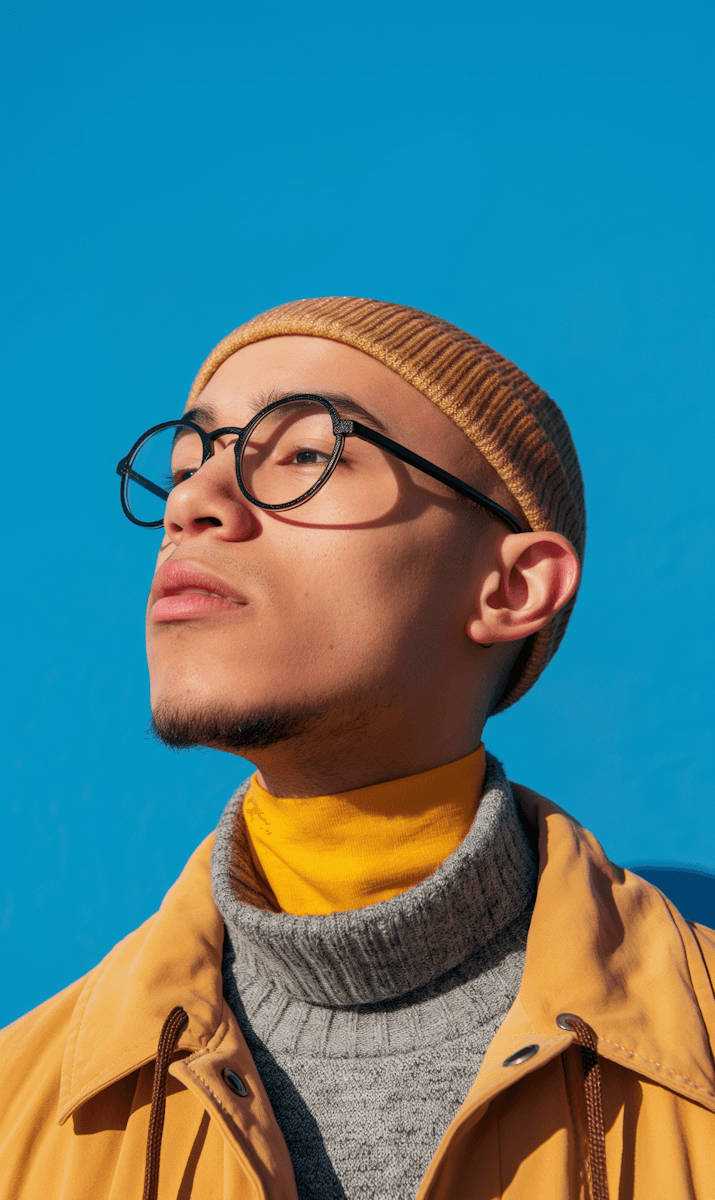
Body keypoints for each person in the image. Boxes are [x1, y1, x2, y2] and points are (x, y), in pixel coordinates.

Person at [2, 297, 713, 1200]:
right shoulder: (21, 1111)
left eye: (305, 453)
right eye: (188, 465)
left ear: (513, 587)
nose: (191, 502)